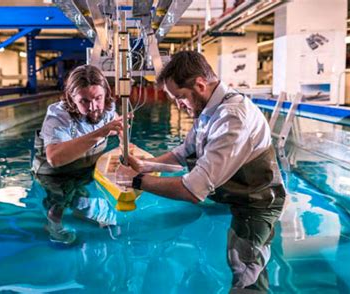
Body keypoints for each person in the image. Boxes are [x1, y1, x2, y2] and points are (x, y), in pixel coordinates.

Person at [117, 51, 286, 292]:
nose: (178, 105)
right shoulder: (209, 108)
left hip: (256, 203)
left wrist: (137, 181)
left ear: (199, 84)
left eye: (181, 97)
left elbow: (192, 190)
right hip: (235, 194)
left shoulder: (232, 119)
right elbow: (183, 152)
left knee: (246, 269)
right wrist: (148, 165)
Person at [31, 64, 123, 242]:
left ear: (106, 93)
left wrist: (121, 136)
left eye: (98, 98)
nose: (93, 107)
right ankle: (52, 223)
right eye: (84, 101)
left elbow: (116, 122)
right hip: (55, 171)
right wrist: (102, 132)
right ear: (71, 99)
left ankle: (81, 214)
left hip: (84, 166)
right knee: (60, 197)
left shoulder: (107, 108)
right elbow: (55, 158)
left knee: (81, 194)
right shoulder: (57, 116)